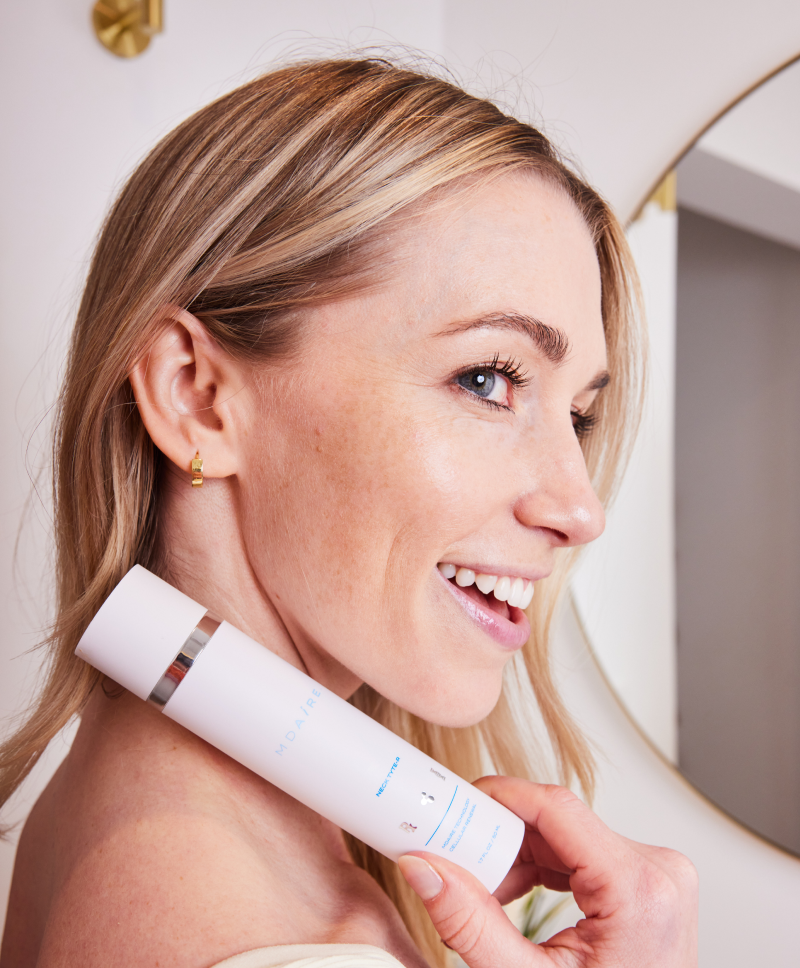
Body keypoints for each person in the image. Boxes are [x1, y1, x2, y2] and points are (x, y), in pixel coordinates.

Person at [0, 58, 697, 968]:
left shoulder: (96, 814)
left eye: (579, 415)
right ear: (195, 395)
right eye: (487, 379)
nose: (580, 508)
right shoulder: (303, 941)